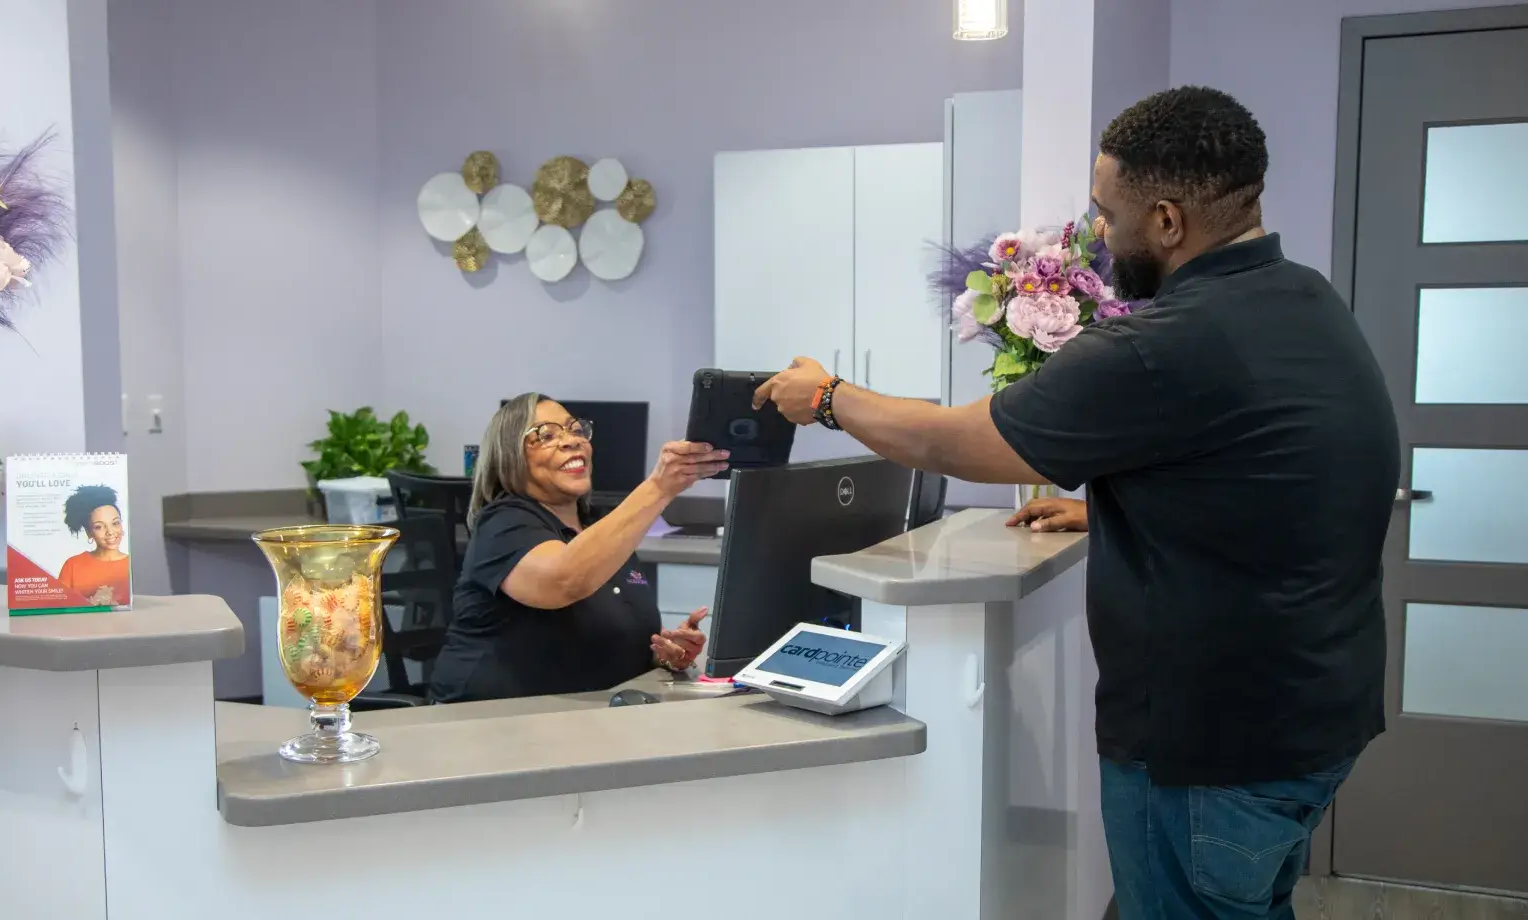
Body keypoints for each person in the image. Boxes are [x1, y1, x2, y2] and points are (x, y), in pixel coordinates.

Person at [754, 86, 1399, 919]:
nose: (1097, 232)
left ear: (1167, 221)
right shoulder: (1303, 299)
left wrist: (831, 397)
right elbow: (1283, 467)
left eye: (1106, 212)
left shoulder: (1168, 344)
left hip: (1210, 746)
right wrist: (1114, 510)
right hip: (1311, 717)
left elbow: (961, 442)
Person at [427, 393, 729, 703]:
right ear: (510, 456)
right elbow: (563, 580)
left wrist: (664, 654)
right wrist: (659, 487)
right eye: (546, 435)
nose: (571, 441)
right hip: (485, 722)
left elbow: (607, 638)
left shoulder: (596, 531)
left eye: (575, 429)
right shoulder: (502, 523)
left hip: (581, 721)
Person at [58, 484, 131, 606]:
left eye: (115, 523)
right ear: (89, 533)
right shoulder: (73, 566)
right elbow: (59, 608)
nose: (110, 532)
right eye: (99, 526)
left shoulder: (131, 565)